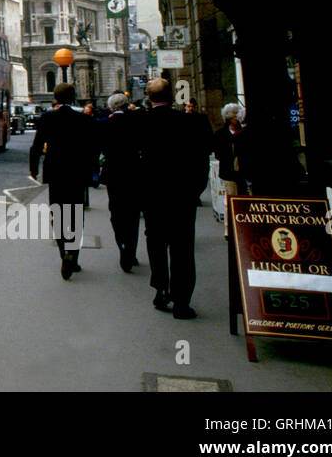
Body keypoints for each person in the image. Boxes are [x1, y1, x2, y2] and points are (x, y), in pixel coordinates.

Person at [139, 78, 212, 319]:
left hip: (152, 197)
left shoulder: (140, 122)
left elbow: (133, 163)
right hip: (182, 196)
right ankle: (181, 303)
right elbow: (203, 159)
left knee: (156, 243)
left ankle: (160, 289)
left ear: (150, 98)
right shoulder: (191, 122)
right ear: (171, 95)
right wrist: (195, 190)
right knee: (182, 248)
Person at [29, 83, 96, 280]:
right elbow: (92, 148)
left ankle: (63, 254)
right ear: (73, 97)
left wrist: (34, 169)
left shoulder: (47, 117)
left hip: (56, 172)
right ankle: (73, 257)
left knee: (57, 214)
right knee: (75, 215)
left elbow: (37, 145)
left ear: (56, 98)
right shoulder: (84, 119)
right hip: (77, 173)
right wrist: (92, 171)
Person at [99, 92, 143, 272]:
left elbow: (100, 148)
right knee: (133, 213)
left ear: (111, 107)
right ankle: (131, 251)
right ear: (126, 105)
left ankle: (122, 245)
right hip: (133, 173)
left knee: (116, 212)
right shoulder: (136, 123)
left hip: (113, 175)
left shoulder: (105, 125)